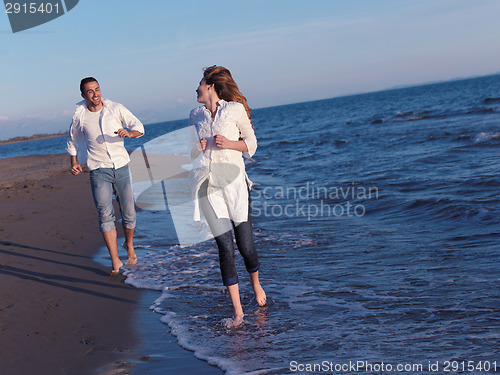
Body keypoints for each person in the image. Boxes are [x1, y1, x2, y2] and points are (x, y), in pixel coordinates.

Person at [189, 66, 266, 326]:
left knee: (246, 247)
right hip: (208, 188)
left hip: (235, 187)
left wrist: (229, 143)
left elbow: (251, 146)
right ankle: (238, 312)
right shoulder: (195, 115)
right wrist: (196, 148)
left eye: (199, 84)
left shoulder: (234, 109)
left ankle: (256, 285)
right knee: (225, 248)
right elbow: (190, 153)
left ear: (210, 85)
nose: (195, 89)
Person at [66, 77, 144, 276]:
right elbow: (73, 140)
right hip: (98, 170)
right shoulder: (80, 116)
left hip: (121, 166)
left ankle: (129, 245)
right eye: (90, 92)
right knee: (105, 214)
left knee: (129, 213)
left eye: (97, 89)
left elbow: (139, 127)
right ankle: (116, 260)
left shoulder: (115, 108)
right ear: (84, 95)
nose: (95, 94)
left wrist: (129, 133)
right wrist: (74, 162)